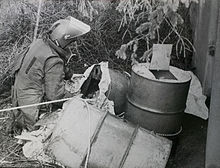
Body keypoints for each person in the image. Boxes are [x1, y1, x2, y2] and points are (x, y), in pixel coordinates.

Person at [7, 16, 91, 134]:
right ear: (64, 40)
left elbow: (44, 65)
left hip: (18, 96)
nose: (70, 47)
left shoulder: (40, 43)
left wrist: (70, 75)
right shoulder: (54, 60)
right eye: (70, 43)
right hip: (32, 109)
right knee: (67, 127)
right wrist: (76, 98)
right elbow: (55, 96)